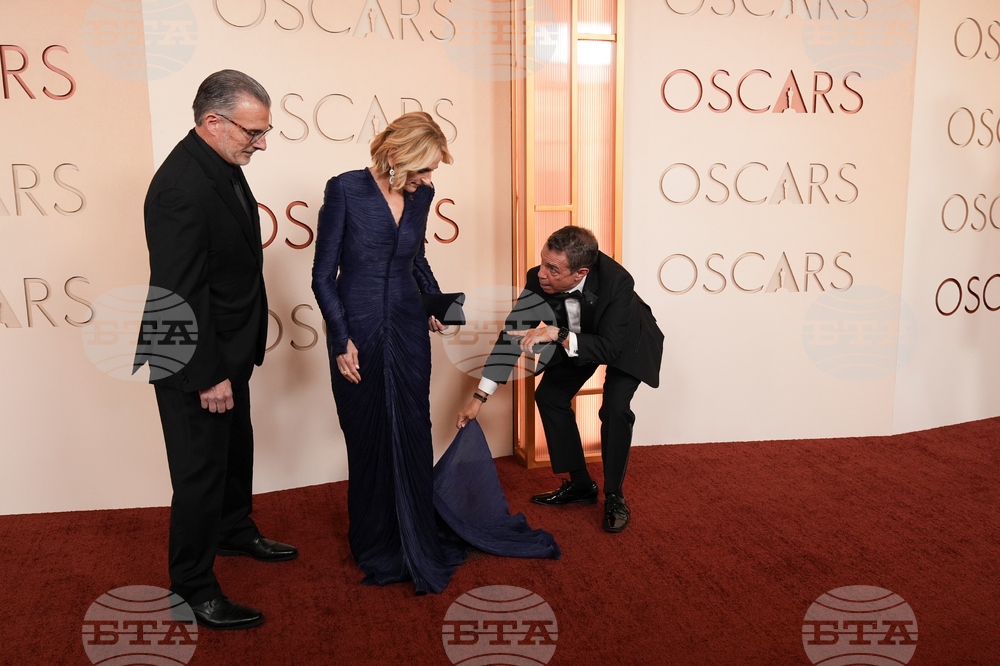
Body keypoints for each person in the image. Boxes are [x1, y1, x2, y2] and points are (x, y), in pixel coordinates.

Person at [312, 112, 559, 595]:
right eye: (423, 169)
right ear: (394, 156)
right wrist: (340, 338)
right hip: (358, 326)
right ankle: (377, 540)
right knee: (366, 430)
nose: (428, 180)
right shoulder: (344, 189)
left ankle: (416, 530)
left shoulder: (420, 195)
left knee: (412, 425)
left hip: (408, 323)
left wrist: (434, 304)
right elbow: (323, 275)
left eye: (431, 172)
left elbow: (417, 258)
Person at [135, 70, 297, 630]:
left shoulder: (221, 163)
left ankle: (233, 530)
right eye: (254, 132)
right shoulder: (179, 186)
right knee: (199, 474)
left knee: (235, 450)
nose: (262, 143)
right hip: (194, 359)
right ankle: (192, 589)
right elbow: (175, 291)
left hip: (229, 346)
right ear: (212, 121)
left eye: (264, 131)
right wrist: (206, 374)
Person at [457, 226, 664, 533]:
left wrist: (559, 334)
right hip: (577, 336)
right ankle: (581, 485)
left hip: (625, 342)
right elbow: (512, 335)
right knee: (550, 396)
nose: (541, 274)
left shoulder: (618, 281)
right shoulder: (538, 279)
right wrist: (479, 398)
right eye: (543, 262)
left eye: (552, 269)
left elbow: (610, 347)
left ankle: (614, 496)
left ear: (581, 273)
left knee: (614, 408)